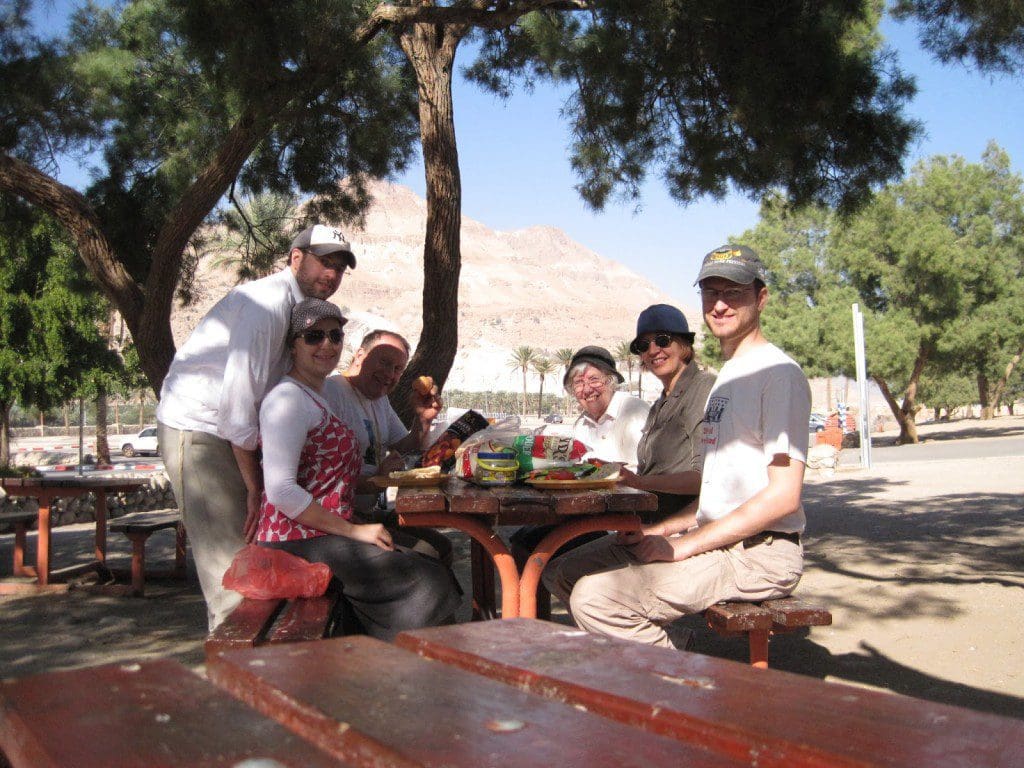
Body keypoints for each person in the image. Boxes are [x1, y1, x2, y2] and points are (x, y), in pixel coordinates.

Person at [544, 244, 811, 648]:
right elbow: (718, 493)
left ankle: (686, 679)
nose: (719, 304)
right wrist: (659, 530)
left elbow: (783, 497)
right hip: (715, 539)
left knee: (595, 599)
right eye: (710, 292)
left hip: (759, 554)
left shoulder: (778, 375)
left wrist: (682, 546)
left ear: (761, 298)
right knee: (562, 571)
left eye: (734, 292)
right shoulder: (730, 377)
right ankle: (669, 651)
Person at [157, 224, 355, 630]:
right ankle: (236, 663)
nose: (331, 274)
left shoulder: (300, 311)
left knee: (261, 568)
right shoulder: (266, 307)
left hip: (235, 437)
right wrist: (255, 486)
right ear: (296, 258)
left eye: (339, 267)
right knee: (233, 575)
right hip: (201, 432)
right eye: (324, 262)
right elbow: (237, 407)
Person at [256, 299, 460, 640]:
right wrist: (353, 531)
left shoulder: (313, 396)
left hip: (323, 531)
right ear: (292, 345)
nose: (327, 345)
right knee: (424, 580)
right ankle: (406, 658)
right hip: (294, 539)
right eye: (313, 336)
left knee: (426, 565)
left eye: (335, 336)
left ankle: (401, 654)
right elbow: (281, 491)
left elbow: (335, 476)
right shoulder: (287, 399)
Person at [510, 346, 649, 568]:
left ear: (611, 381)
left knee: (539, 551)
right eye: (578, 383)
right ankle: (532, 592)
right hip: (587, 515)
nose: (586, 389)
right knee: (521, 542)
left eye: (594, 379)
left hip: (621, 523)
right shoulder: (582, 423)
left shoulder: (633, 411)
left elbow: (640, 473)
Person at [327, 329, 452, 560]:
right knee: (427, 555)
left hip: (369, 513)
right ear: (360, 355)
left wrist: (423, 420)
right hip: (338, 519)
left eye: (397, 369)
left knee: (442, 545)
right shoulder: (331, 393)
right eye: (384, 362)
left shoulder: (380, 400)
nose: (390, 374)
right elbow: (321, 480)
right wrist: (376, 480)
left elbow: (404, 447)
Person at [618, 304, 717, 521]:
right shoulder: (660, 404)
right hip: (646, 520)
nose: (653, 350)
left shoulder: (703, 388)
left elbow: (707, 477)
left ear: (683, 344)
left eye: (662, 340)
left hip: (681, 526)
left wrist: (638, 482)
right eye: (644, 345)